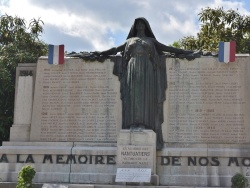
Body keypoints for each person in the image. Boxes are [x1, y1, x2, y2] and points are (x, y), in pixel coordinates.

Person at [92, 17, 198, 149]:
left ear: (146, 26)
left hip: (147, 69)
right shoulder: (129, 41)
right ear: (135, 26)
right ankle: (132, 123)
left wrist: (185, 52)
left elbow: (167, 48)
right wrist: (100, 53)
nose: (140, 25)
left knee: (144, 97)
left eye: (142, 23)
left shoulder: (151, 40)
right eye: (138, 24)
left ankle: (144, 123)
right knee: (132, 96)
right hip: (132, 67)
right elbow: (114, 49)